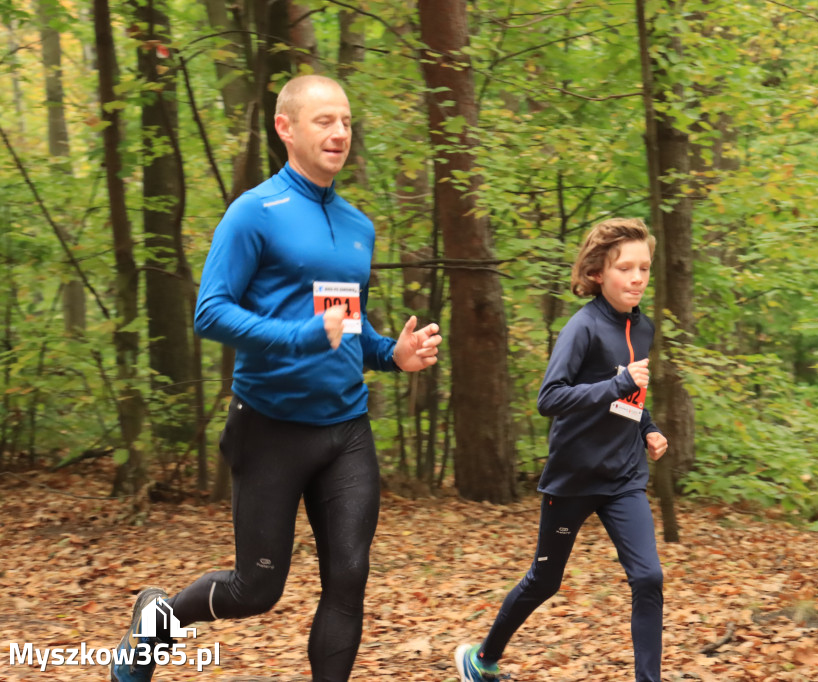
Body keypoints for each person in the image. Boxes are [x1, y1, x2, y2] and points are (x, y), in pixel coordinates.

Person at [110, 74, 442, 682]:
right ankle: (157, 620)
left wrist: (393, 354)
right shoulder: (254, 213)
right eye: (324, 121)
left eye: (346, 120)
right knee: (256, 588)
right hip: (270, 430)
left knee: (349, 576)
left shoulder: (358, 226)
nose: (340, 132)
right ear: (284, 128)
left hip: (345, 430)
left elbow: (346, 328)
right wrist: (298, 337)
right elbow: (210, 311)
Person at [454, 218, 669, 682]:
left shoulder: (644, 327)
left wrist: (648, 428)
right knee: (545, 580)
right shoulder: (583, 328)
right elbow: (549, 399)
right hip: (573, 478)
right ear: (597, 274)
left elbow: (630, 397)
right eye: (625, 268)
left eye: (644, 268)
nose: (637, 278)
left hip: (624, 479)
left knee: (649, 578)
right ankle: (482, 659)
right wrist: (617, 383)